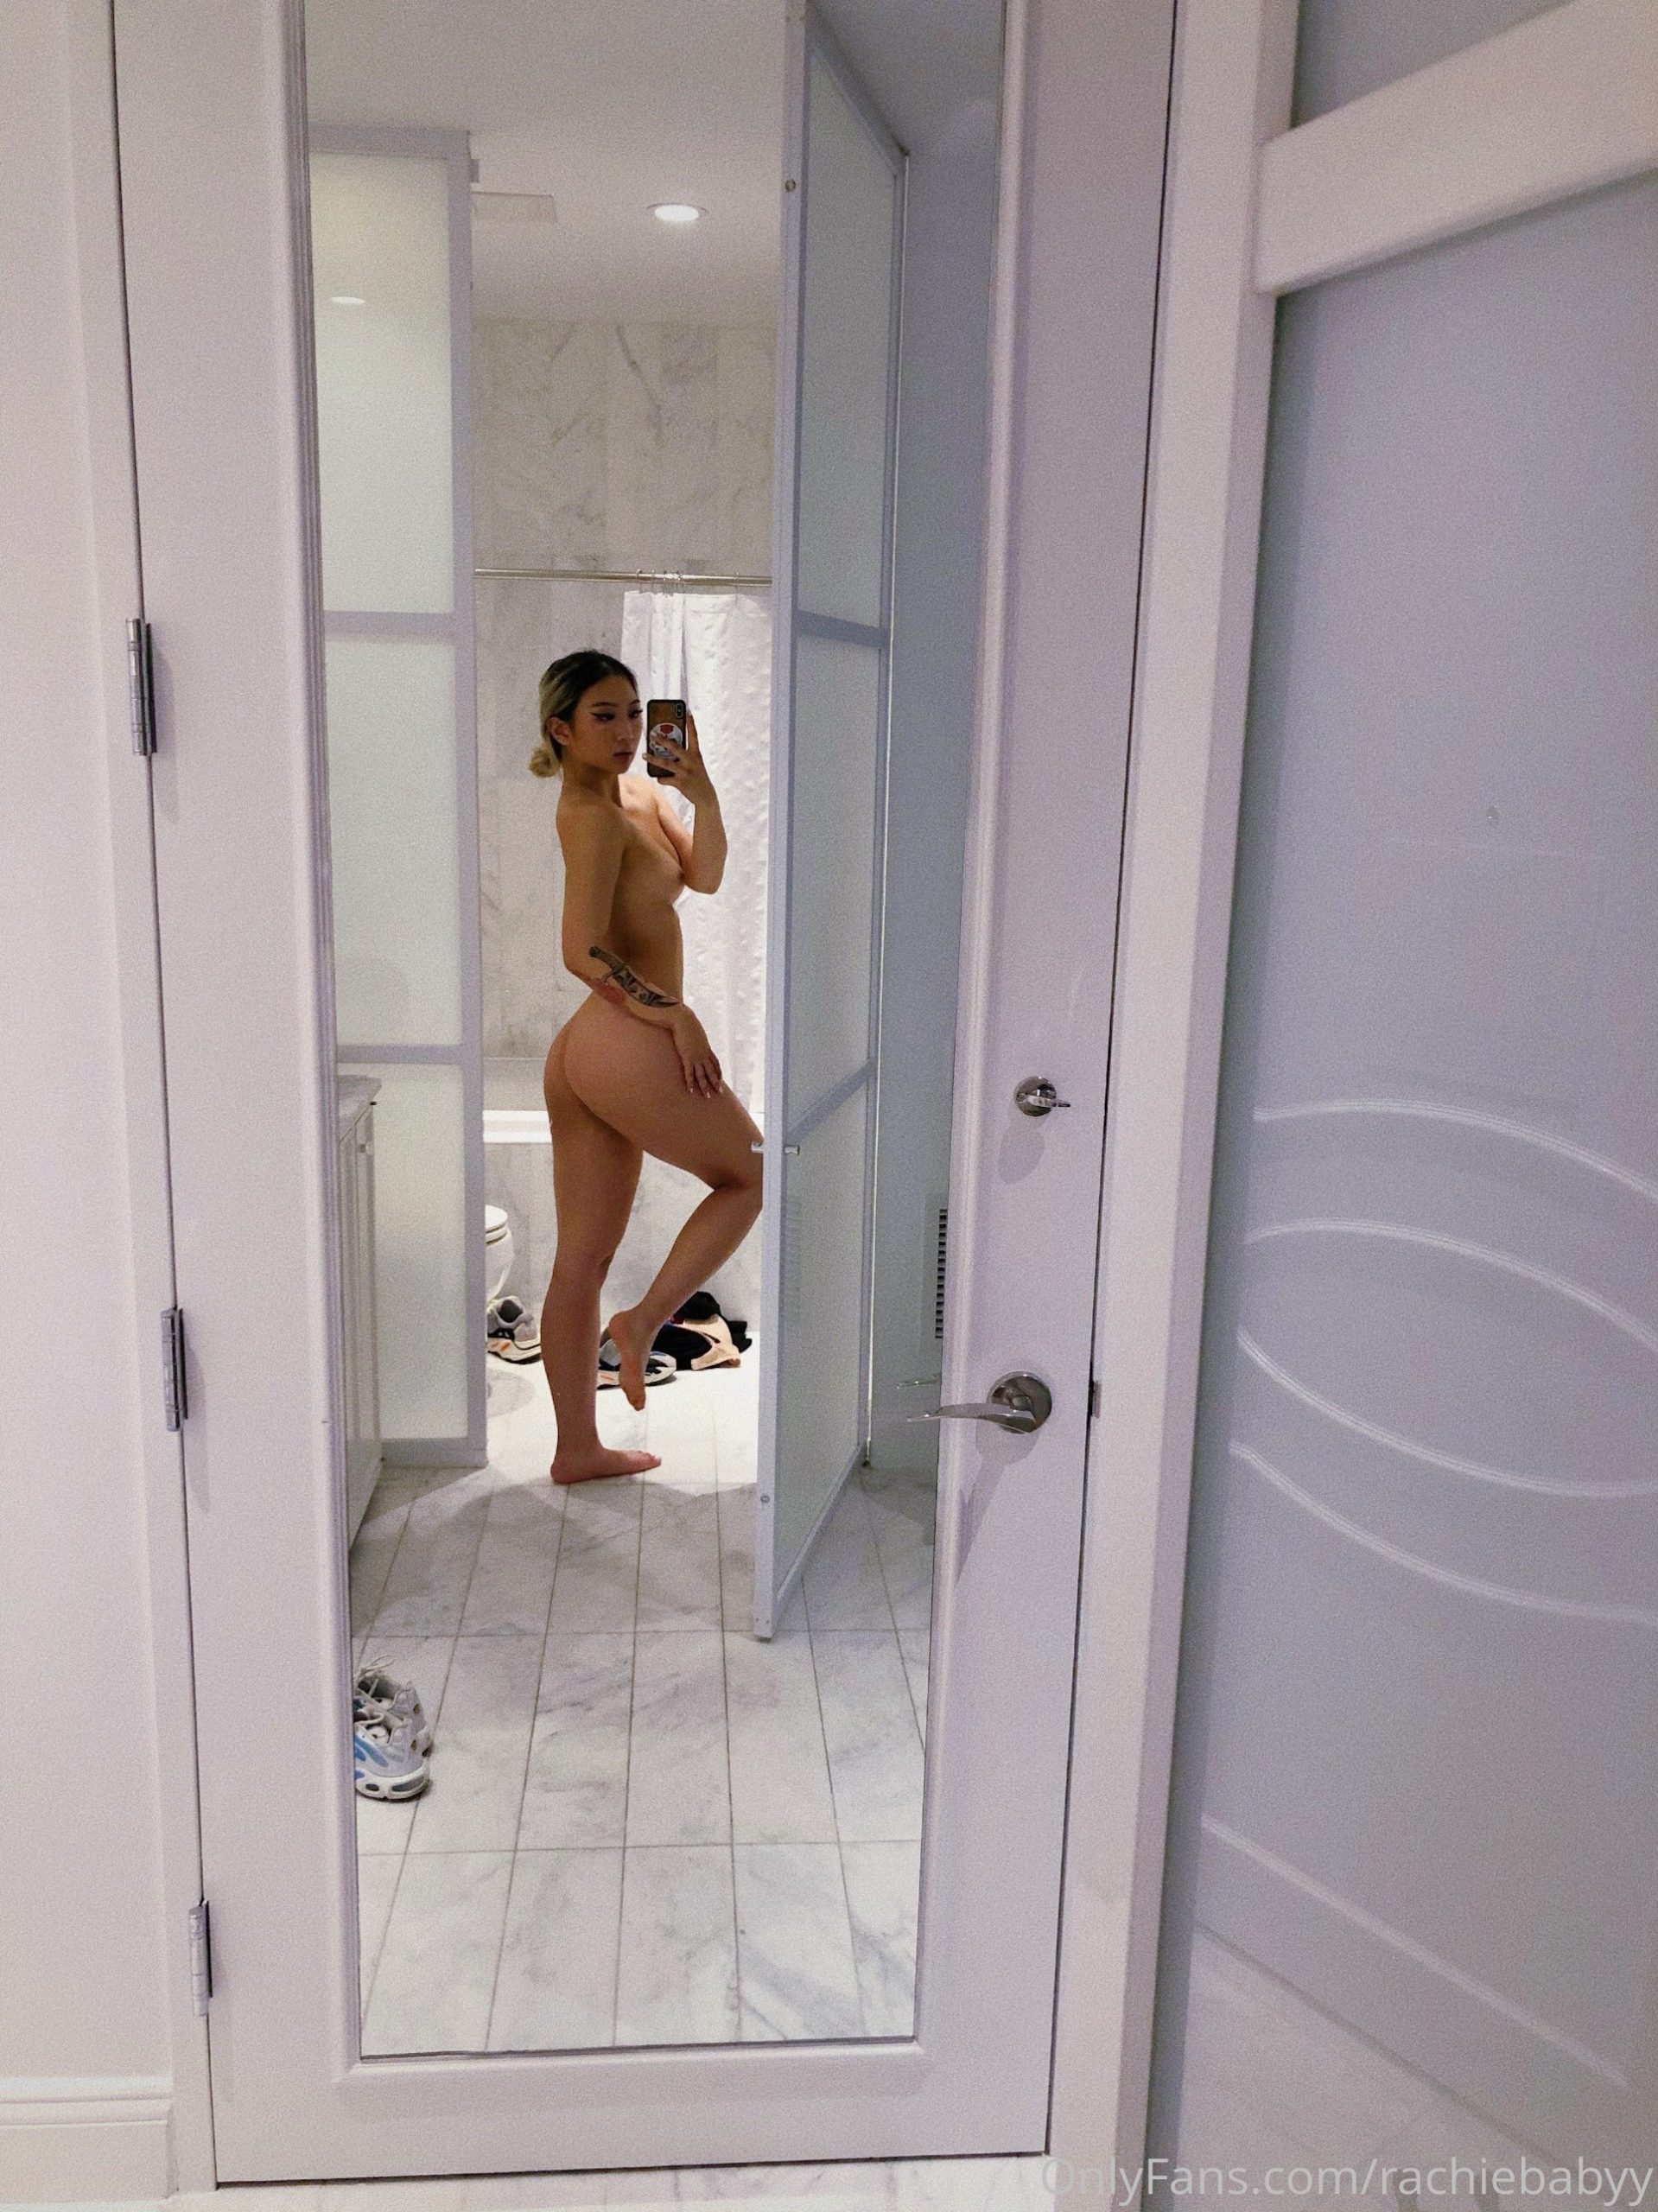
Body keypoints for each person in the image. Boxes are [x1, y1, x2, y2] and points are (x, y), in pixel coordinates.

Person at [530, 650, 764, 1483]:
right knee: (751, 1174)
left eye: (633, 712)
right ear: (561, 729)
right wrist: (672, 1012)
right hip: (623, 1033)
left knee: (581, 1259)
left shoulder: (639, 794)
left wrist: (702, 794)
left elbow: (706, 877)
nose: (627, 730)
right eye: (603, 716)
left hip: (591, 1049)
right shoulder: (588, 812)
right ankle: (643, 1321)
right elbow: (581, 949)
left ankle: (577, 1450)